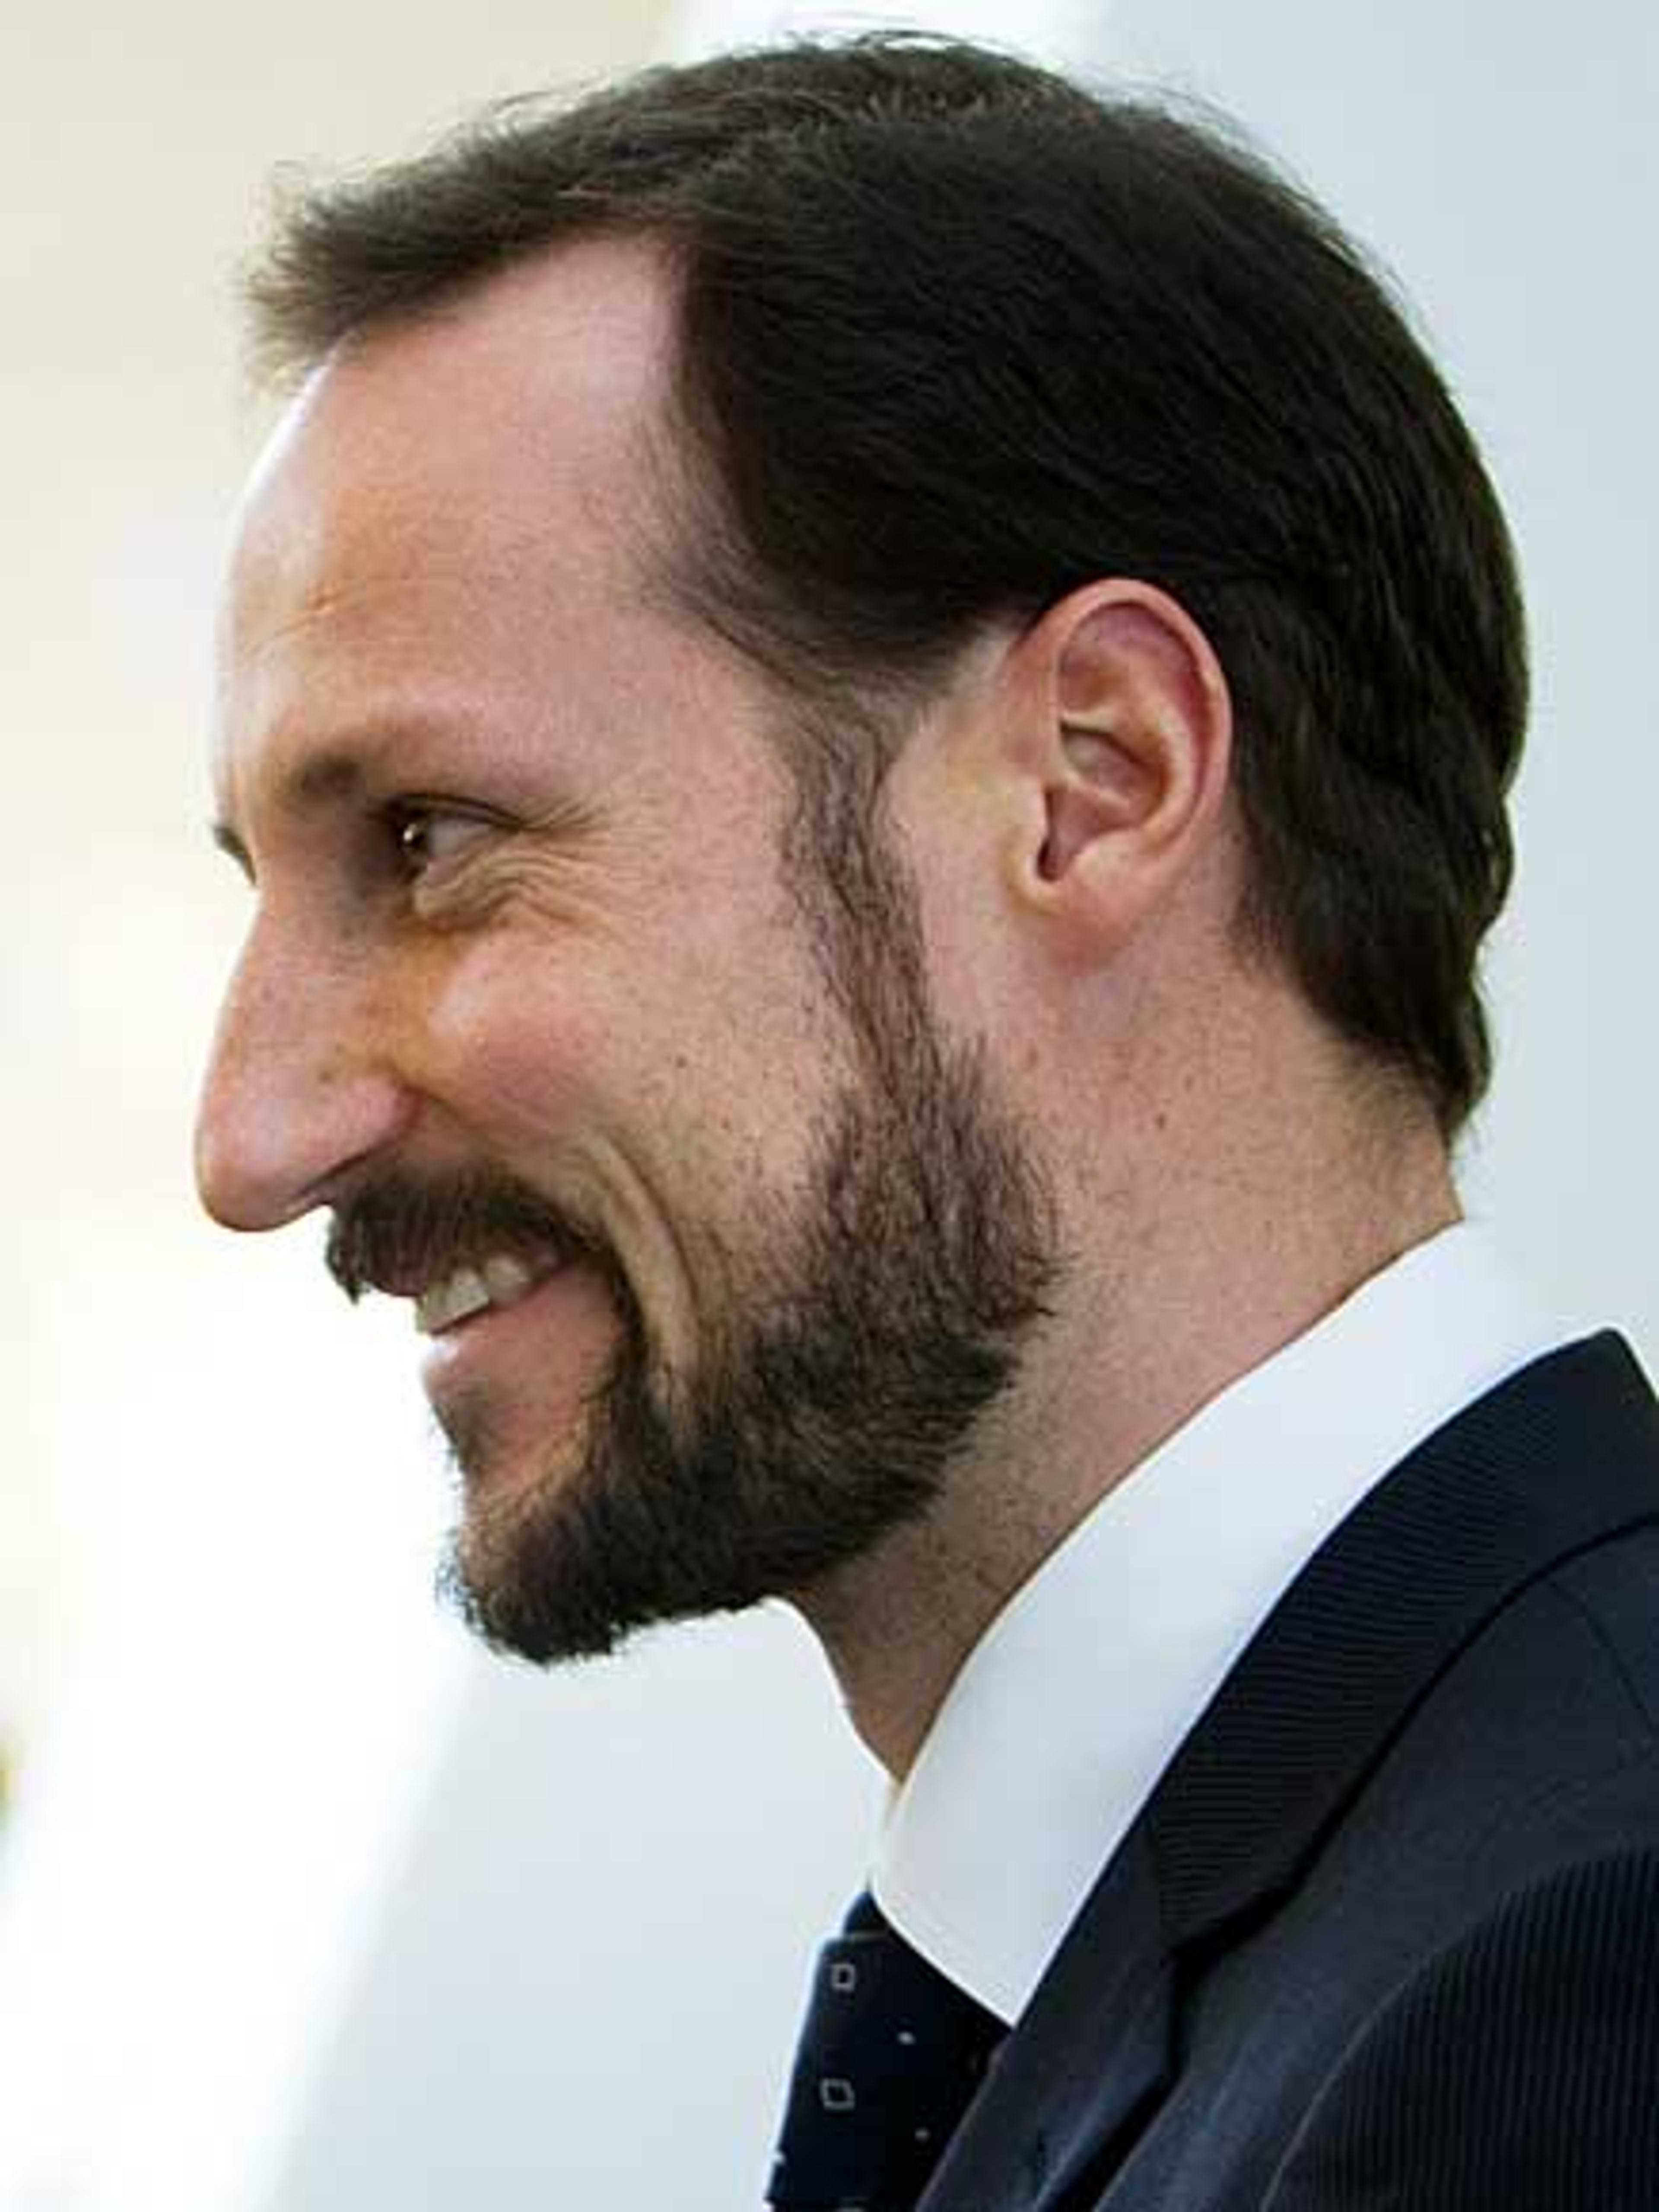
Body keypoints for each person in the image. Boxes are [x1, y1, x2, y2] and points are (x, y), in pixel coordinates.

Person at [193, 34, 1659, 2210]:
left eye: (430, 838)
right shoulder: (1277, 1935)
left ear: (1096, 779)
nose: (251, 1138)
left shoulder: (1581, 1987)